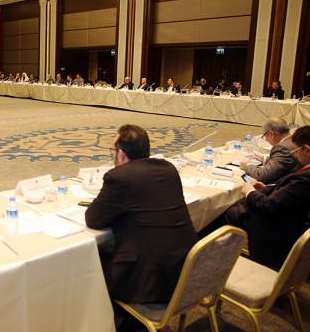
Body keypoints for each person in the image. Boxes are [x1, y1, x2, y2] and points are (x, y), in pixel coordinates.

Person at [84, 124, 198, 304]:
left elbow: (93, 219)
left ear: (121, 154)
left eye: (113, 150)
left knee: (87, 263)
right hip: (187, 270)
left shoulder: (119, 177)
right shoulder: (168, 168)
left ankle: (112, 318)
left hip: (151, 281)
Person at [203, 125, 310, 270]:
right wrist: (269, 188)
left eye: (296, 151)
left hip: (275, 228)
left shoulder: (306, 178)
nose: (295, 155)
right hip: (287, 216)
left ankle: (204, 263)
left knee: (219, 214)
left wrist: (250, 192)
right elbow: (290, 192)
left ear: (307, 149)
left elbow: (268, 206)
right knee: (235, 205)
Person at [240, 118, 300, 184]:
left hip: (281, 186)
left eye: (265, 136)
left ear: (271, 134)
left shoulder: (282, 147)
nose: (266, 140)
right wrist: (264, 158)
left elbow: (264, 175)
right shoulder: (293, 140)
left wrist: (247, 165)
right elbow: (285, 160)